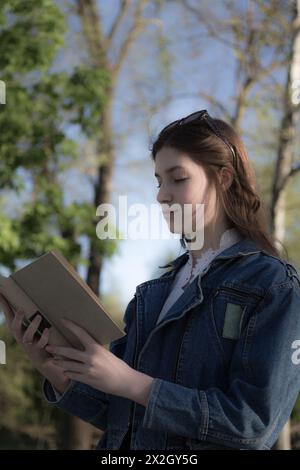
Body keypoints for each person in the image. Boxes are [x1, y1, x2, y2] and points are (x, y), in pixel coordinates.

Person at [1, 109, 300, 450]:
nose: (161, 194)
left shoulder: (273, 285)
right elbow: (120, 416)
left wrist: (132, 383)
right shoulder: (152, 294)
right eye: (159, 181)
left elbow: (253, 424)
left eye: (178, 178)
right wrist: (52, 367)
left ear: (224, 178)